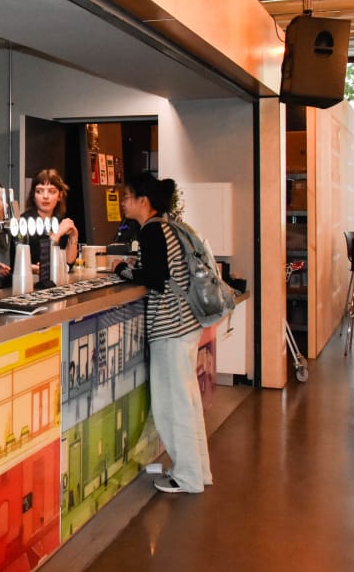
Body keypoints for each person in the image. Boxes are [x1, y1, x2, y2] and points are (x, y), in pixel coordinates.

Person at [112, 172, 211, 494]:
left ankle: (187, 477)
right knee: (188, 402)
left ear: (143, 201)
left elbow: (154, 277)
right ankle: (198, 471)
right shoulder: (170, 227)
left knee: (174, 405)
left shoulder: (153, 230)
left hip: (170, 328)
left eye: (127, 197)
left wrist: (122, 270)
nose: (124, 202)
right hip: (186, 326)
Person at [22, 168, 79, 267]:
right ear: (33, 196)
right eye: (39, 191)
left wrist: (74, 236)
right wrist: (57, 234)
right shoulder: (24, 221)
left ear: (60, 196)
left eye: (51, 191)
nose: (45, 196)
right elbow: (39, 260)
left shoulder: (59, 221)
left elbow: (68, 262)